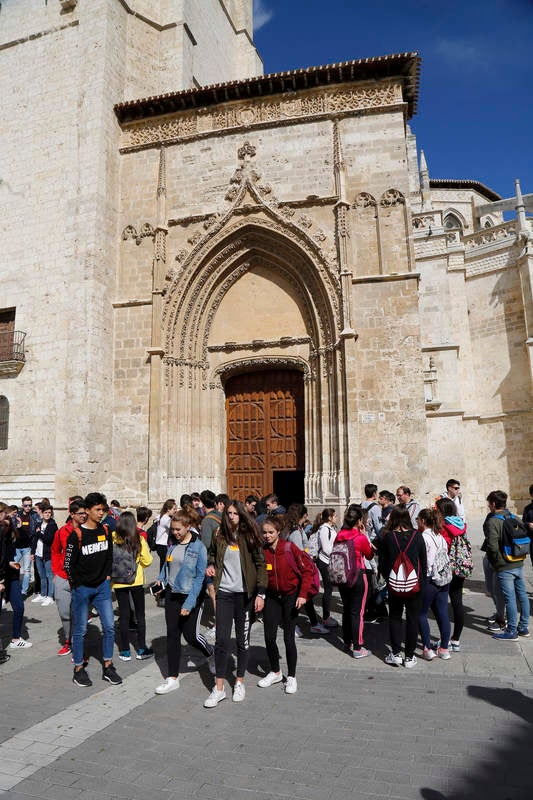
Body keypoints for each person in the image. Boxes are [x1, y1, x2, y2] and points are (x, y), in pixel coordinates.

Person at [203, 500, 267, 708]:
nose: (231, 516)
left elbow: (260, 565)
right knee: (221, 640)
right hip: (224, 593)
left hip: (245, 596)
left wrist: (261, 594)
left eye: (235, 513)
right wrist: (211, 565)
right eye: (228, 513)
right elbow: (212, 553)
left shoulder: (250, 536)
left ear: (242, 515)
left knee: (242, 640)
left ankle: (239, 681)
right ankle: (219, 687)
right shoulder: (219, 535)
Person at [64, 492, 122, 687]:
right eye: (97, 510)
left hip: (102, 588)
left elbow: (109, 556)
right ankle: (79, 668)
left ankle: (108, 665)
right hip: (82, 589)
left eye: (103, 509)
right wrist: (78, 585)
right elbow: (68, 564)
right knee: (80, 630)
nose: (101, 513)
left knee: (109, 626)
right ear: (87, 511)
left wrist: (106, 577)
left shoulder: (105, 531)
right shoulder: (76, 535)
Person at [155, 509, 214, 694]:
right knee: (172, 636)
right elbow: (167, 564)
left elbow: (199, 579)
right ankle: (172, 678)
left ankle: (211, 653)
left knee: (191, 636)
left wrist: (189, 605)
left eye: (178, 529)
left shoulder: (199, 547)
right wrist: (160, 579)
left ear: (188, 527)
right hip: (172, 595)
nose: (175, 532)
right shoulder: (172, 543)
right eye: (173, 529)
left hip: (191, 596)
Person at [259, 515, 315, 693]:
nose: (267, 536)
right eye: (264, 533)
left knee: (288, 637)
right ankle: (275, 671)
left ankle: (291, 677)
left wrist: (303, 594)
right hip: (272, 597)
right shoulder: (263, 550)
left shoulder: (289, 548)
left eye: (271, 532)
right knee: (269, 636)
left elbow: (307, 570)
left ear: (278, 532)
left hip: (290, 596)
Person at [380, 506, 427, 668]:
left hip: (395, 585)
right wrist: (421, 583)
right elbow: (424, 564)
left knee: (395, 617)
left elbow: (383, 564)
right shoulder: (418, 536)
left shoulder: (388, 538)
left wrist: (390, 578)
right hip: (415, 585)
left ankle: (395, 653)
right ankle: (409, 656)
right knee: (412, 619)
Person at [483, 490, 530, 641]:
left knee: (509, 599)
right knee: (522, 596)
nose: (489, 506)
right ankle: (523, 627)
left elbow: (492, 546)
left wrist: (497, 564)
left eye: (489, 503)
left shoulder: (493, 521)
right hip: (519, 562)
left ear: (494, 504)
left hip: (504, 566)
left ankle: (511, 631)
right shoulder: (514, 517)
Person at [112, 511, 153, 661]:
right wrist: (138, 563)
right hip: (136, 580)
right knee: (140, 615)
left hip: (118, 581)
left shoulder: (113, 538)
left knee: (124, 615)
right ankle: (141, 648)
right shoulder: (139, 539)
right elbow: (148, 561)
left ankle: (124, 651)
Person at [334, 504, 374, 658]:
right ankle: (358, 647)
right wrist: (364, 534)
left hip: (343, 576)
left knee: (347, 609)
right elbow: (369, 555)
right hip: (358, 575)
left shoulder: (339, 535)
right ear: (359, 521)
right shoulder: (360, 538)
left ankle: (347, 641)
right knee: (358, 613)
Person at [51, 500, 88, 656]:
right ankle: (68, 640)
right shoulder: (61, 532)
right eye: (81, 513)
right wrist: (55, 573)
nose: (84, 516)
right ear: (72, 514)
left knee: (79, 614)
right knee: (65, 613)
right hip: (63, 577)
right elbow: (55, 551)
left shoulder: (89, 531)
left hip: (82, 579)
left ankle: (78, 646)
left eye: (85, 513)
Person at [417, 508, 452, 660]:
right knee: (443, 613)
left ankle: (427, 648)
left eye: (418, 519)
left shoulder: (423, 537)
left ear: (423, 521)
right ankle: (444, 648)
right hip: (443, 579)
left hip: (429, 579)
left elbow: (421, 561)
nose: (417, 521)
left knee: (421, 613)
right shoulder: (440, 537)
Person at [435, 496, 468, 651]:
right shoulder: (460, 524)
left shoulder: (442, 526)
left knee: (440, 605)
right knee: (457, 603)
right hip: (459, 568)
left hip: (445, 569)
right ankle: (456, 640)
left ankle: (444, 639)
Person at [283, 504, 321, 633]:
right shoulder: (295, 532)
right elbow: (298, 552)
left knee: (305, 596)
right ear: (304, 515)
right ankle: (292, 625)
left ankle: (314, 623)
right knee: (296, 597)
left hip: (299, 567)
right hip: (297, 569)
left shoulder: (296, 529)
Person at [0, 504, 32, 649]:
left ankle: (15, 638)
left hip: (11, 576)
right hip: (2, 575)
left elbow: (25, 539)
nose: (9, 519)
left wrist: (19, 527)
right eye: (7, 516)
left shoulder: (10, 532)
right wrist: (8, 563)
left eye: (9, 517)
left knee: (19, 607)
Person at [312, 507, 339, 632]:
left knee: (329, 589)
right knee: (328, 589)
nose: (337, 518)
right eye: (335, 516)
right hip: (324, 562)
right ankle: (326, 617)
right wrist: (337, 553)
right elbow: (326, 548)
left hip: (328, 561)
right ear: (329, 517)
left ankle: (326, 616)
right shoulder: (324, 529)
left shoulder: (330, 528)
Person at [31, 503, 57, 607]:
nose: (47, 514)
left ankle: (50, 597)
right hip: (38, 554)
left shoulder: (52, 525)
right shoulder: (39, 524)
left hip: (47, 554)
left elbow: (48, 539)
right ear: (42, 513)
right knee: (42, 576)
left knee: (49, 576)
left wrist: (38, 533)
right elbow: (35, 540)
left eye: (49, 513)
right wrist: (32, 552)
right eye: (45, 512)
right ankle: (43, 594)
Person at [15, 496, 41, 597]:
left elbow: (40, 522)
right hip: (17, 546)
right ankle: (14, 589)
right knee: (13, 568)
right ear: (22, 505)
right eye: (26, 505)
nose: (28, 507)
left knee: (26, 570)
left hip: (28, 547)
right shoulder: (18, 515)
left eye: (30, 505)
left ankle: (24, 591)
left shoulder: (34, 515)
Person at [155, 499, 177, 571]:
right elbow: (174, 528)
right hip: (163, 546)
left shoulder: (162, 516)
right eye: (174, 509)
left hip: (160, 545)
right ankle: (162, 580)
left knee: (165, 563)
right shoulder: (166, 519)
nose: (175, 511)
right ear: (168, 509)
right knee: (166, 563)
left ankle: (162, 580)